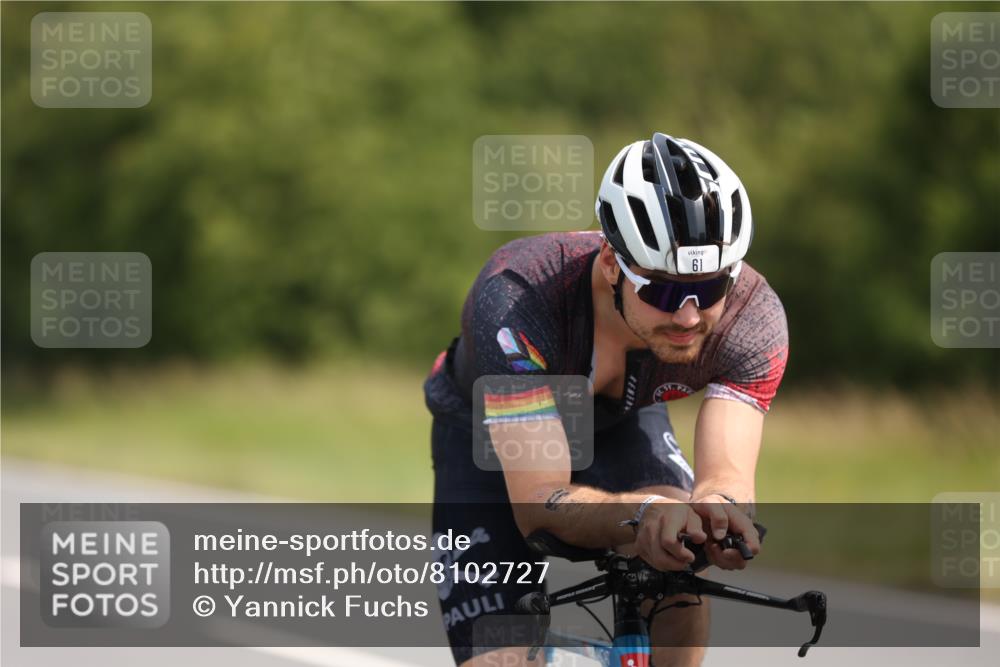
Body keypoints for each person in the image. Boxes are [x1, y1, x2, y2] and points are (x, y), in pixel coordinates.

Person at [424, 132, 788, 666]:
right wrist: (642, 513)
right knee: (499, 657)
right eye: (663, 291)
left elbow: (725, 478)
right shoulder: (518, 298)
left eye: (710, 288)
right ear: (612, 263)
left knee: (679, 552)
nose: (688, 316)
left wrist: (718, 519)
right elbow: (539, 504)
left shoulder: (752, 319)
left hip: (622, 421)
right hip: (486, 431)